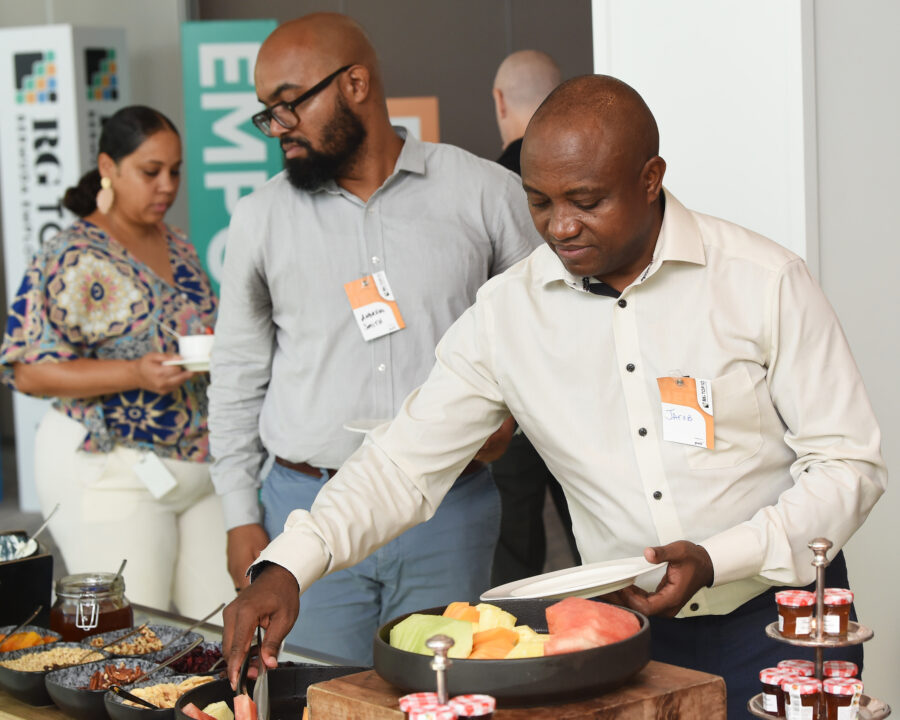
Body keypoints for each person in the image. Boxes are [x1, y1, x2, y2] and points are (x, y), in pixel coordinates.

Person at [222, 75, 886, 715]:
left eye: (586, 201)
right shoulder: (507, 313)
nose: (560, 226)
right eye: (539, 201)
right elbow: (401, 463)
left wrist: (720, 558)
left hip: (782, 623)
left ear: (650, 179)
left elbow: (848, 463)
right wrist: (286, 566)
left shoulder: (763, 281)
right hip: (616, 637)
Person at [207, 12, 540, 665]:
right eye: (267, 112)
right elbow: (238, 374)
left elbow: (545, 336)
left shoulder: (484, 194)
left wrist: (513, 419)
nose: (278, 127)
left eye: (290, 104)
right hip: (304, 509)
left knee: (443, 693)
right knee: (316, 698)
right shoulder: (260, 219)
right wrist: (239, 513)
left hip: (449, 508)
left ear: (356, 84)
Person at [0, 105, 234, 619]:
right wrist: (134, 373)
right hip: (110, 468)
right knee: (129, 631)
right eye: (151, 171)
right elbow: (27, 369)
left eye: (175, 171)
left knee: (226, 626)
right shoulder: (70, 254)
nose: (167, 185)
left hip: (199, 467)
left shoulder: (179, 244)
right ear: (109, 167)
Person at [489, 49, 581, 584]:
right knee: (604, 538)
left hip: (512, 397)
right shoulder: (591, 176)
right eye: (540, 203)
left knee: (515, 555)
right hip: (583, 389)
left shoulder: (486, 188)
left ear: (499, 101)